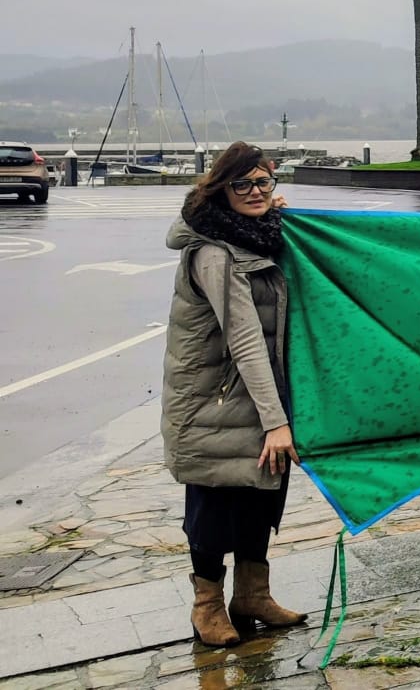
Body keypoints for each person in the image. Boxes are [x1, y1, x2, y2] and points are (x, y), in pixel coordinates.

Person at [162, 142, 309, 646]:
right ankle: (207, 606)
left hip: (254, 395)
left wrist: (285, 218)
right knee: (212, 504)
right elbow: (245, 339)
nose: (254, 192)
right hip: (214, 401)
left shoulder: (260, 235)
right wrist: (276, 421)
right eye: (241, 184)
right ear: (220, 189)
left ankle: (252, 595)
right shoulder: (213, 252)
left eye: (262, 182)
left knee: (259, 495)